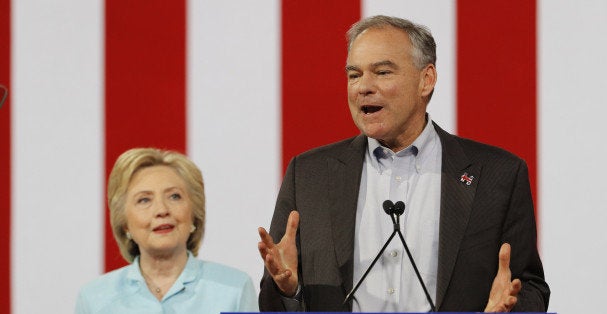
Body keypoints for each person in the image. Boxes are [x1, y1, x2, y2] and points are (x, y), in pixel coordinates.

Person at [257, 15, 550, 312]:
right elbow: (273, 299)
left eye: (382, 72)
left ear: (427, 79)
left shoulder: (497, 175)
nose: (363, 87)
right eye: (354, 75)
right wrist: (289, 291)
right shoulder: (309, 175)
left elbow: (530, 289)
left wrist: (510, 308)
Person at [76, 148, 258, 314]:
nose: (162, 210)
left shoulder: (234, 289)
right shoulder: (94, 299)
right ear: (124, 223)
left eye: (174, 196)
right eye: (144, 200)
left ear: (194, 215)